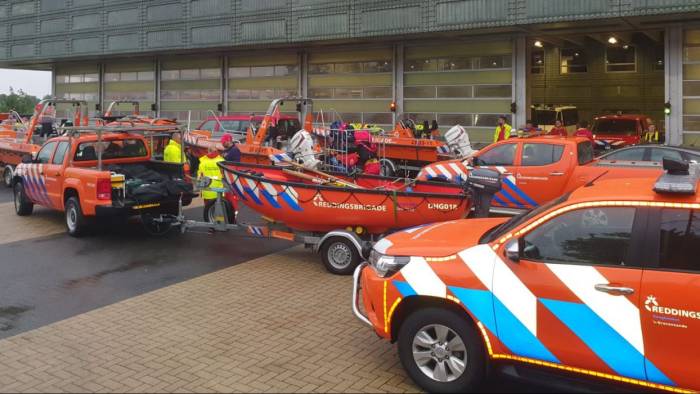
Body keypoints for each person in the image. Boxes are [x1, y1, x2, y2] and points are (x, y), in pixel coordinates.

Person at [197, 144, 227, 222]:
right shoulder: (222, 161)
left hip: (207, 189)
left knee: (208, 208)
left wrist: (200, 188)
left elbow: (199, 176)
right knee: (219, 208)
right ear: (216, 151)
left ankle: (210, 225)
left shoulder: (202, 161)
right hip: (218, 190)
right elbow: (225, 176)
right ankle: (219, 222)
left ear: (208, 151)